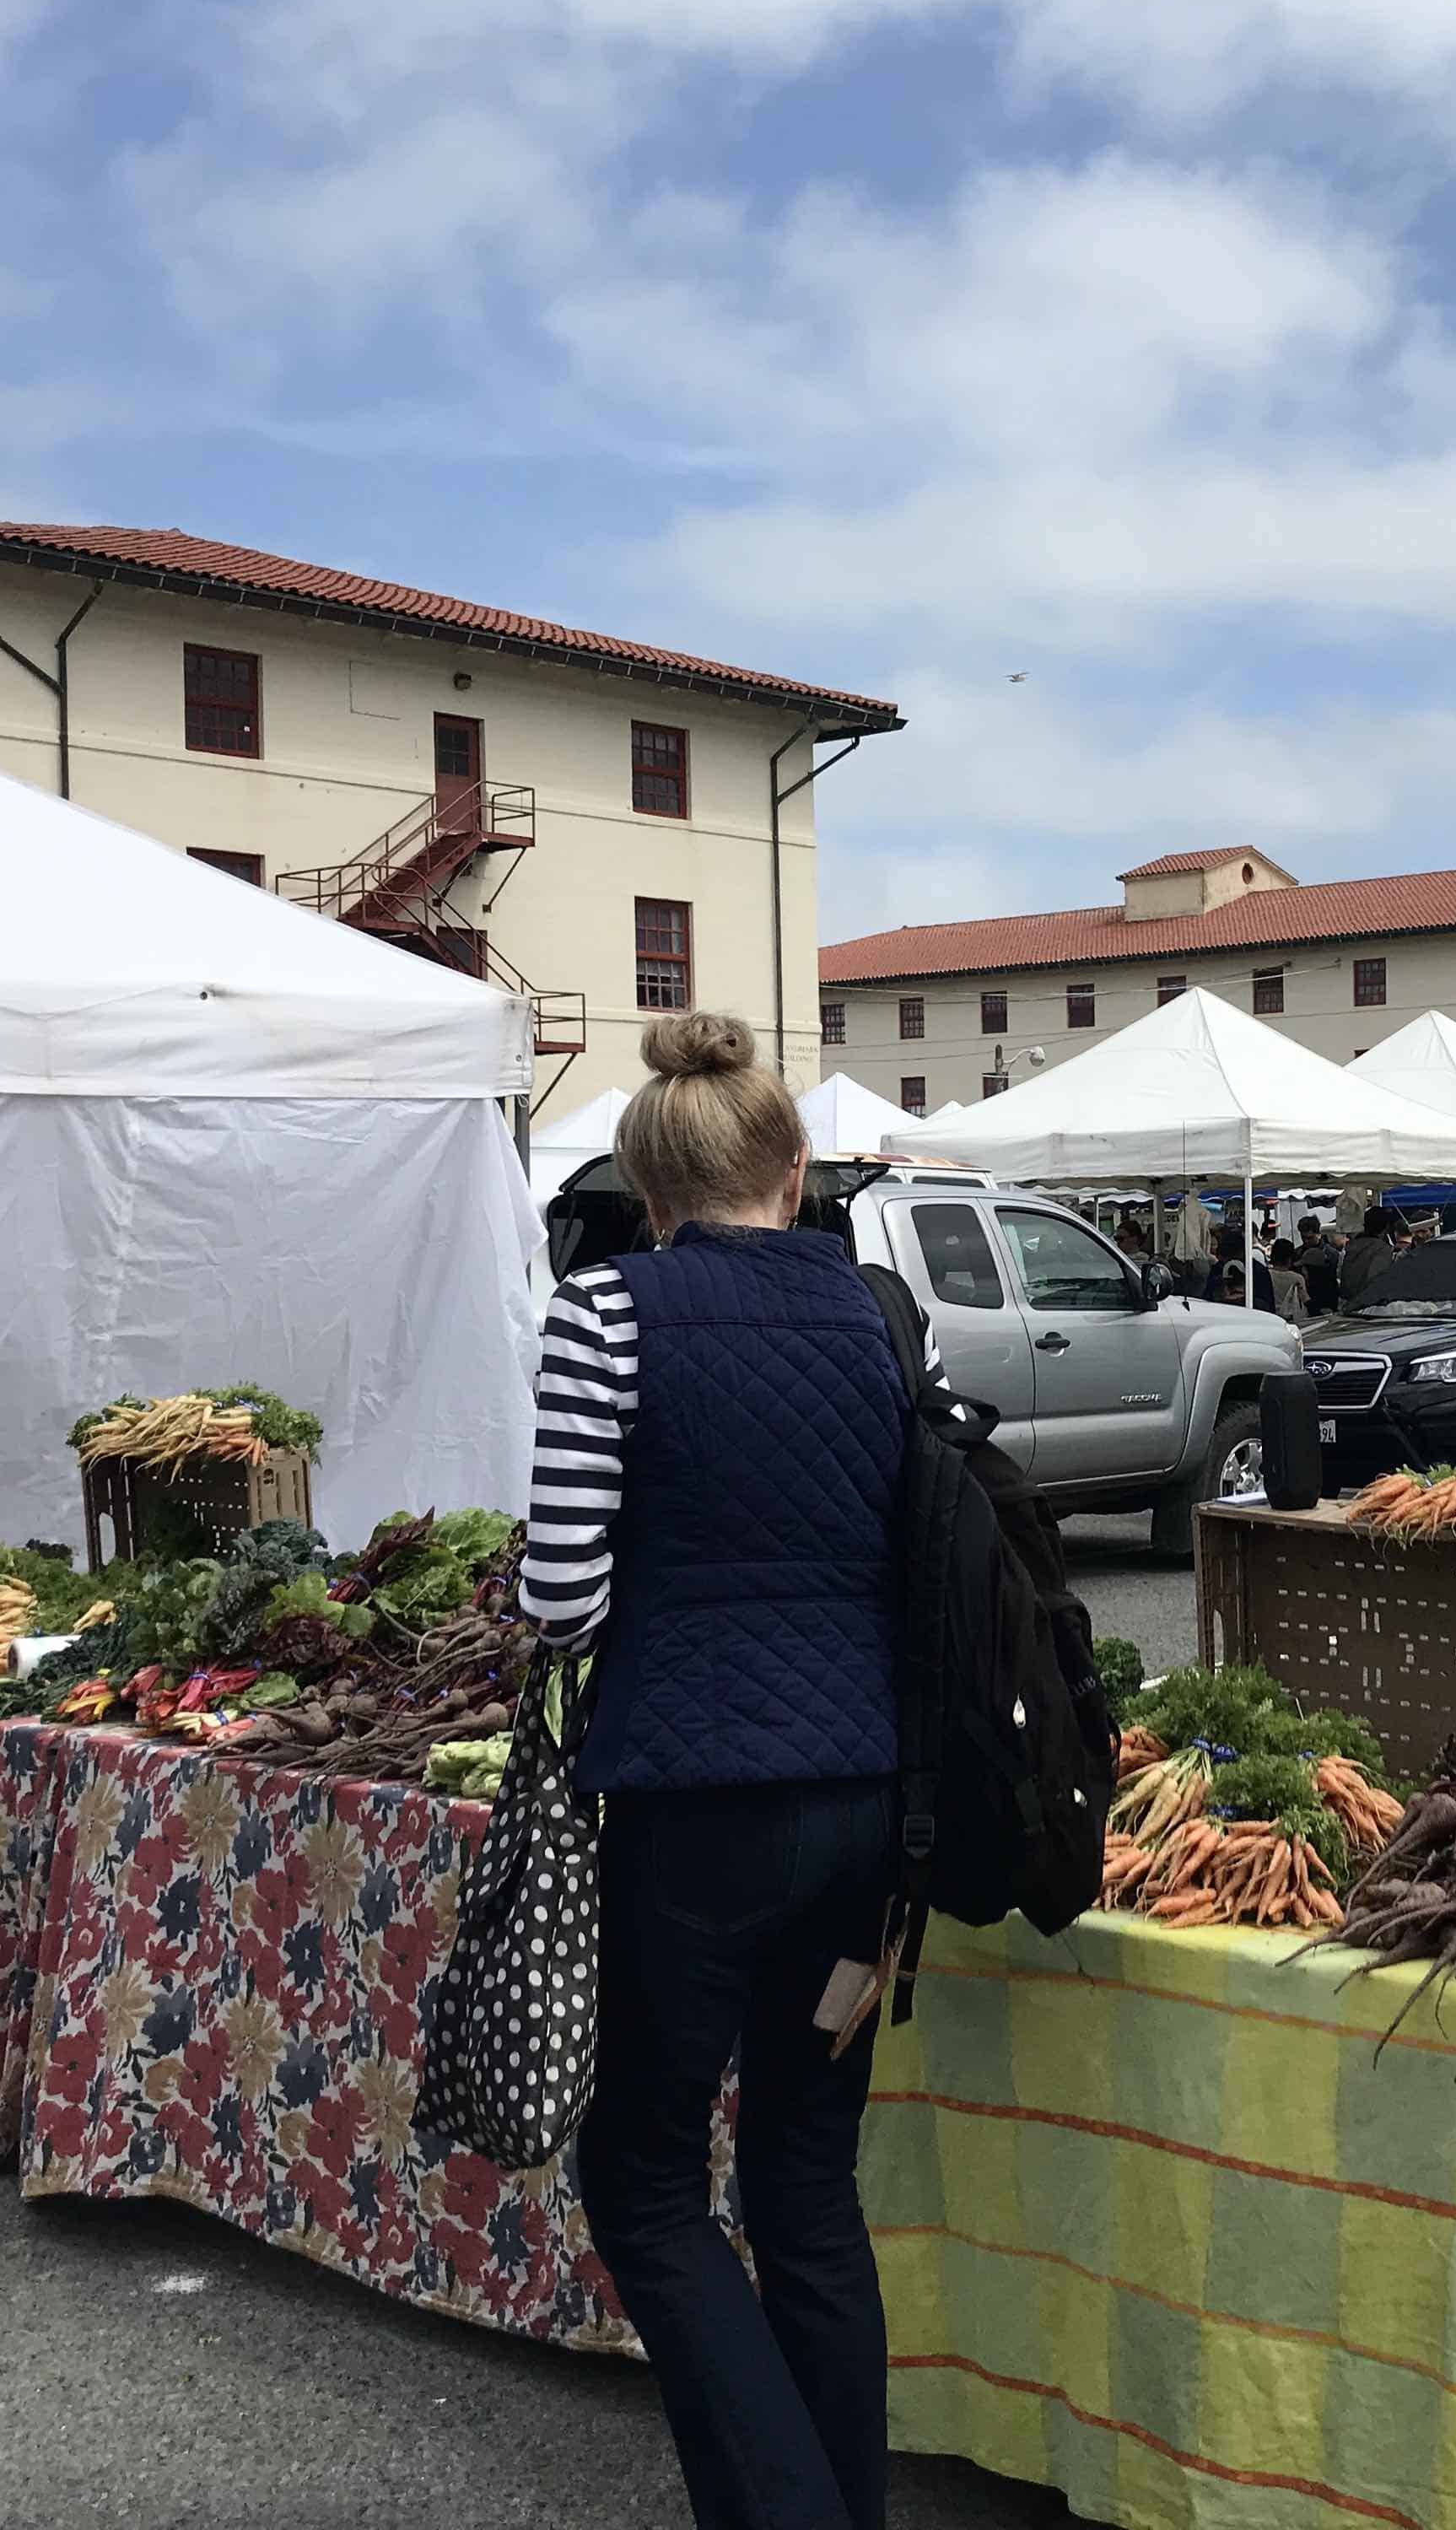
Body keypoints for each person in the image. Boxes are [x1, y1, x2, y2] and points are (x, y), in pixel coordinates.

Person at [522, 1011, 912, 2530]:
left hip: (693, 1809)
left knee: (645, 2178)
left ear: (647, 1190)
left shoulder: (604, 1313)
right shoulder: (879, 1315)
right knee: (806, 2175)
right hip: (869, 1804)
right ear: (794, 1167)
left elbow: (562, 1596)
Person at [1336, 1207, 1408, 1310]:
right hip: (1369, 1308)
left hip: (1346, 1306)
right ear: (1386, 1228)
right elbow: (1376, 1281)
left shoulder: (1349, 1248)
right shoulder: (1383, 1250)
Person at [1293, 1214, 1343, 1314]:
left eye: (1310, 1238)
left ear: (1319, 1234)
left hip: (1327, 1302)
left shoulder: (1332, 1254)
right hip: (1303, 1303)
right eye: (1303, 1238)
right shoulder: (1297, 1253)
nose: (1306, 1241)